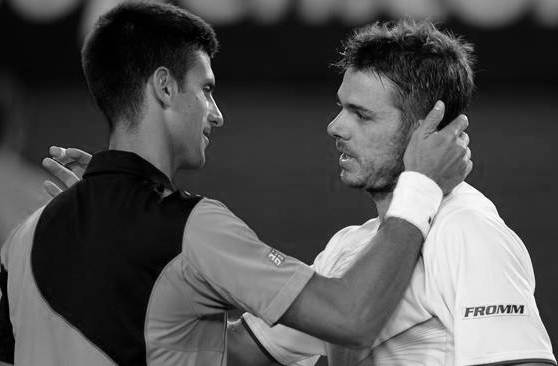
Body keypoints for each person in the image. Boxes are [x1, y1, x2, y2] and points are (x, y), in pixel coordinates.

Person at [2, 3, 470, 366]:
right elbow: (352, 317)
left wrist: (101, 226)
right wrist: (420, 186)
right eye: (205, 89)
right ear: (164, 87)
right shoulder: (195, 228)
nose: (217, 112)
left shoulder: (25, 237)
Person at [226, 21, 556, 366]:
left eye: (362, 115)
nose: (335, 127)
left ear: (427, 127)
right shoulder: (348, 248)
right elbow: (238, 353)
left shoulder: (465, 230)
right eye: (341, 107)